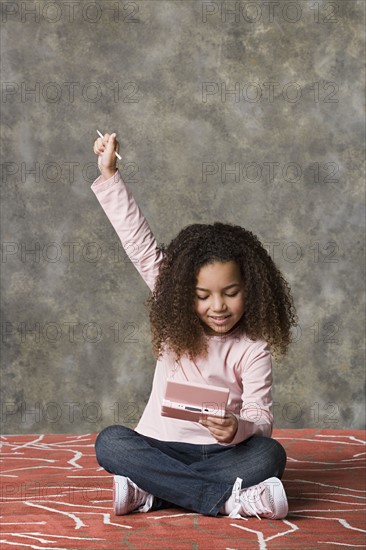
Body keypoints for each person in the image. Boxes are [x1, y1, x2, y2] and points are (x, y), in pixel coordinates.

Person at [91, 132, 297, 520]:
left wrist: (237, 427)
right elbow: (139, 242)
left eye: (230, 292)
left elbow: (262, 418)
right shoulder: (175, 319)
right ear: (184, 293)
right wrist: (110, 173)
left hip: (224, 454)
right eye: (203, 295)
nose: (217, 307)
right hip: (159, 445)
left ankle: (154, 491)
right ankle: (226, 501)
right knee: (111, 443)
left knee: (270, 455)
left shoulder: (252, 347)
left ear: (251, 289)